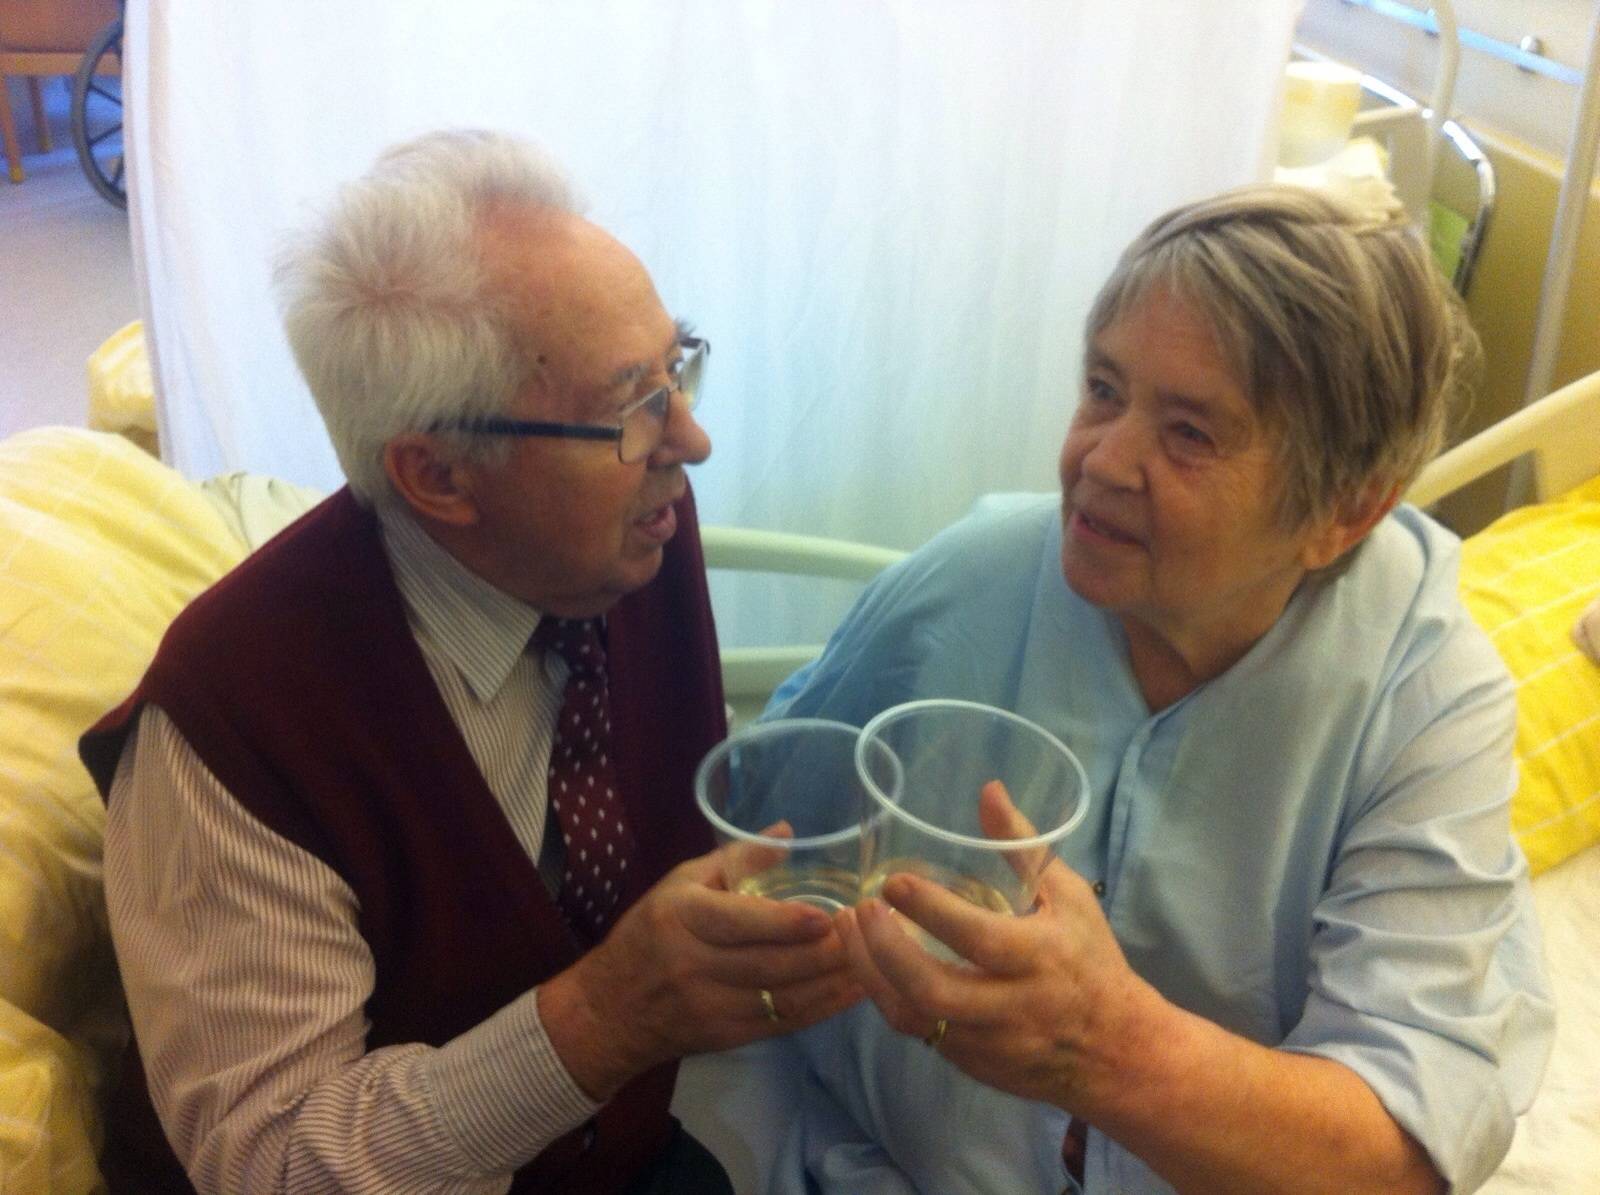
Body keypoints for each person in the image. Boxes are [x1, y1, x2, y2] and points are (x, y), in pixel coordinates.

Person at [79, 129, 861, 1194]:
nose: (689, 441)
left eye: (676, 367)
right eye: (630, 408)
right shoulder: (235, 724)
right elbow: (277, 1162)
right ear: (438, 475)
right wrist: (605, 1018)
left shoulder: (630, 541)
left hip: (612, 1155)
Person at [762, 185, 1555, 1194]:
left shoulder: (1424, 699)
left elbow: (1397, 1150)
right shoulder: (963, 585)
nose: (1101, 459)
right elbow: (755, 827)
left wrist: (1106, 1047)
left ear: (1346, 511)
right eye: (1103, 388)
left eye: (1189, 433)